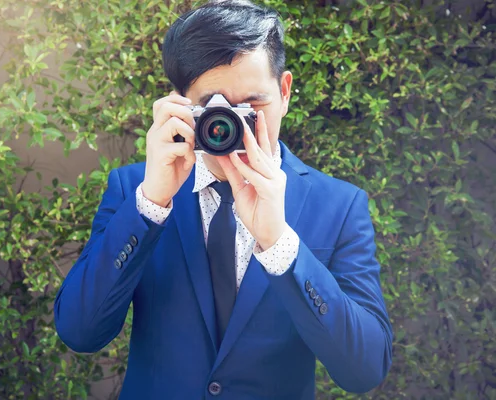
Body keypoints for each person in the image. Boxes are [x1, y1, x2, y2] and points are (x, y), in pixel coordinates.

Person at [54, 1, 393, 398]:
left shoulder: (338, 205)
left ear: (284, 92)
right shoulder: (136, 190)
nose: (236, 123)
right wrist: (150, 204)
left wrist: (280, 244)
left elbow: (366, 369)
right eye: (216, 108)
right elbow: (79, 332)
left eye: (254, 105)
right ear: (181, 103)